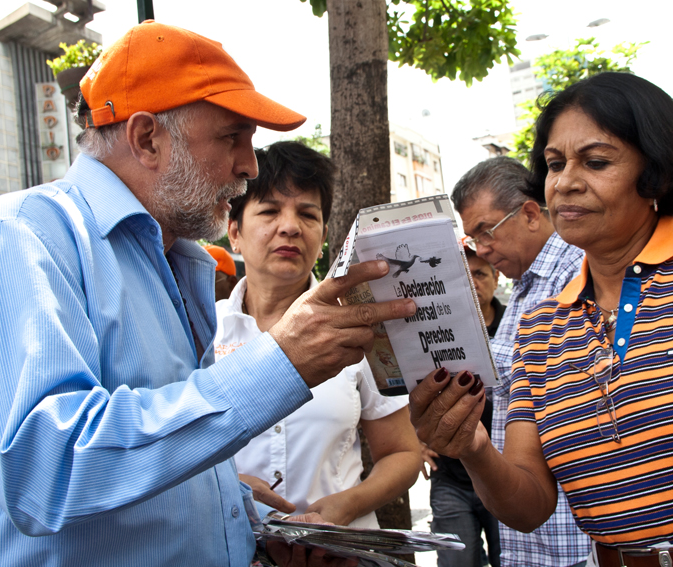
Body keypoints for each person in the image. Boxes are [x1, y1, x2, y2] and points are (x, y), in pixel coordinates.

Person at [0, 21, 416, 567]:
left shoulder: (178, 261)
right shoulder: (19, 238)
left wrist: (244, 516)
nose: (248, 166)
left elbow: (159, 454)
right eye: (232, 138)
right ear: (148, 138)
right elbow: (44, 471)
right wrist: (277, 365)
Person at [408, 72, 673, 567]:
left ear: (656, 169)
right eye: (554, 165)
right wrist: (472, 447)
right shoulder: (540, 328)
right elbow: (529, 506)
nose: (566, 181)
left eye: (595, 162)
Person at [215, 141, 421, 527]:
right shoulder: (199, 330)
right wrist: (227, 487)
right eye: (270, 211)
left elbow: (402, 453)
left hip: (338, 551)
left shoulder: (360, 329)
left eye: (307, 215)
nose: (290, 226)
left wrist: (350, 504)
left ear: (323, 234)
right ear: (235, 233)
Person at [451, 156, 590, 567]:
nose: (482, 249)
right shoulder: (526, 290)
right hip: (534, 534)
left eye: (485, 231)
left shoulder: (578, 271)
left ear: (530, 213)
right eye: (473, 238)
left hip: (573, 534)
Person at [420, 246, 504, 567]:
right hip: (450, 477)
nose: (472, 282)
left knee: (509, 560)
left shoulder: (518, 326)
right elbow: (410, 387)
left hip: (505, 476)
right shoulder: (436, 332)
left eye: (480, 273)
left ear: (496, 280)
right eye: (463, 275)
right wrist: (412, 440)